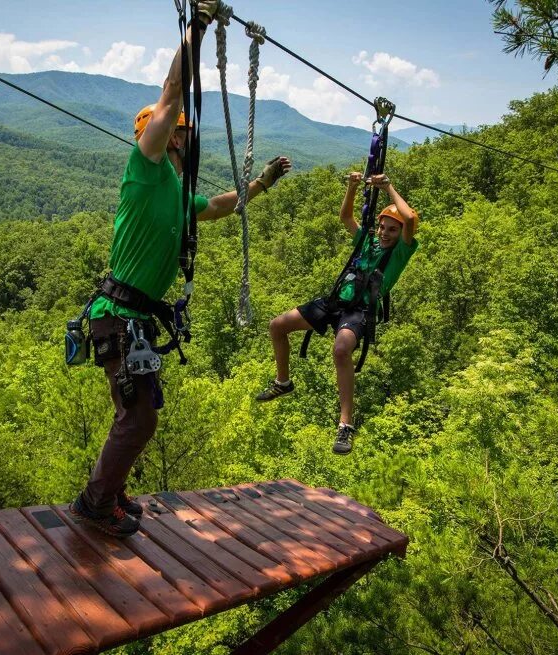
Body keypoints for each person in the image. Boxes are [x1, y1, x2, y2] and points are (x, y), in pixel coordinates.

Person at [71, 1, 292, 537]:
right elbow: (171, 96)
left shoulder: (176, 187)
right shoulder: (145, 169)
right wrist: (195, 27)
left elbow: (217, 207)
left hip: (133, 320)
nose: (188, 134)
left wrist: (259, 185)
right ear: (168, 135)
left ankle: (112, 491)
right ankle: (96, 502)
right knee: (139, 417)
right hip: (118, 316)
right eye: (181, 130)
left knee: (138, 413)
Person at [255, 172, 418, 455]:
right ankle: (283, 381)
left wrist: (388, 187)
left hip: (361, 310)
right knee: (277, 326)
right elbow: (346, 218)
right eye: (383, 227)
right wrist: (352, 187)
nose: (385, 233)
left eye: (392, 229)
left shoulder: (402, 251)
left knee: (341, 350)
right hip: (336, 301)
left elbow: (411, 220)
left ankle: (345, 425)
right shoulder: (368, 242)